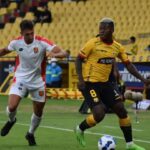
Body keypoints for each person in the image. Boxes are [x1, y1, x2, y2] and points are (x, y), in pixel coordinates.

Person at [74, 18, 150, 150]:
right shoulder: (92, 43)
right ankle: (79, 129)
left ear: (112, 30)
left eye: (105, 28)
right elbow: (78, 60)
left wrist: (143, 80)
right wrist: (80, 80)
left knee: (121, 109)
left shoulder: (117, 47)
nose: (101, 31)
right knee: (99, 114)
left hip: (106, 84)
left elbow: (129, 65)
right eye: (100, 28)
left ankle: (130, 145)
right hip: (90, 83)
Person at [0, 19, 67, 146]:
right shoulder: (16, 42)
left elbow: (63, 52)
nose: (30, 36)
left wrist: (55, 54)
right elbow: (4, 50)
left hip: (38, 81)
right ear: (21, 33)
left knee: (38, 111)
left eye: (32, 33)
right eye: (27, 34)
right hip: (21, 79)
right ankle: (11, 120)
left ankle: (30, 133)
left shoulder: (42, 42)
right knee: (12, 106)